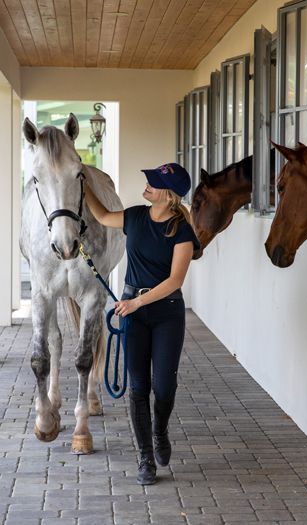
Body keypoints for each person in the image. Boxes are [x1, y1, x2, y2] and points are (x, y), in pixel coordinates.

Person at [84, 162, 200, 485]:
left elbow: (175, 280)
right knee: (138, 387)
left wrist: (136, 302)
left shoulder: (183, 232)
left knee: (163, 386)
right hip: (133, 313)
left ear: (168, 195)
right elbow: (104, 216)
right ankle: (145, 457)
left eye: (153, 183)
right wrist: (82, 184)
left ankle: (160, 430)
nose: (146, 185)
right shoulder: (135, 216)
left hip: (166, 313)